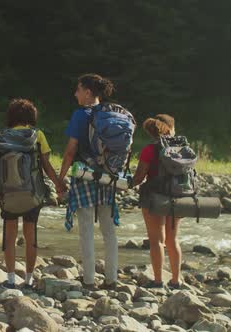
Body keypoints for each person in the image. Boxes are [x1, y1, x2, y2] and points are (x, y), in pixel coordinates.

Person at [58, 73, 127, 290]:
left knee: (86, 228)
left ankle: (88, 280)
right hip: (108, 176)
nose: (75, 93)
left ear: (88, 92)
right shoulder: (112, 114)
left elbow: (70, 152)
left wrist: (60, 178)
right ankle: (111, 279)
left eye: (78, 89)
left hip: (84, 175)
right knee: (108, 229)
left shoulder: (81, 115)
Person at [0, 99, 65, 289]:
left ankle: (10, 279)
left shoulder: (3, 136)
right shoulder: (38, 135)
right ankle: (28, 279)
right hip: (33, 193)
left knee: (9, 236)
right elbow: (46, 166)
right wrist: (59, 184)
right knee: (30, 235)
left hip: (8, 194)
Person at [131, 114, 182, 289]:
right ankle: (176, 281)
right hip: (177, 197)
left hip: (155, 198)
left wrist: (128, 182)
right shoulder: (181, 147)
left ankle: (158, 280)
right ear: (171, 128)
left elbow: (139, 177)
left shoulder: (149, 150)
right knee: (172, 240)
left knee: (156, 241)